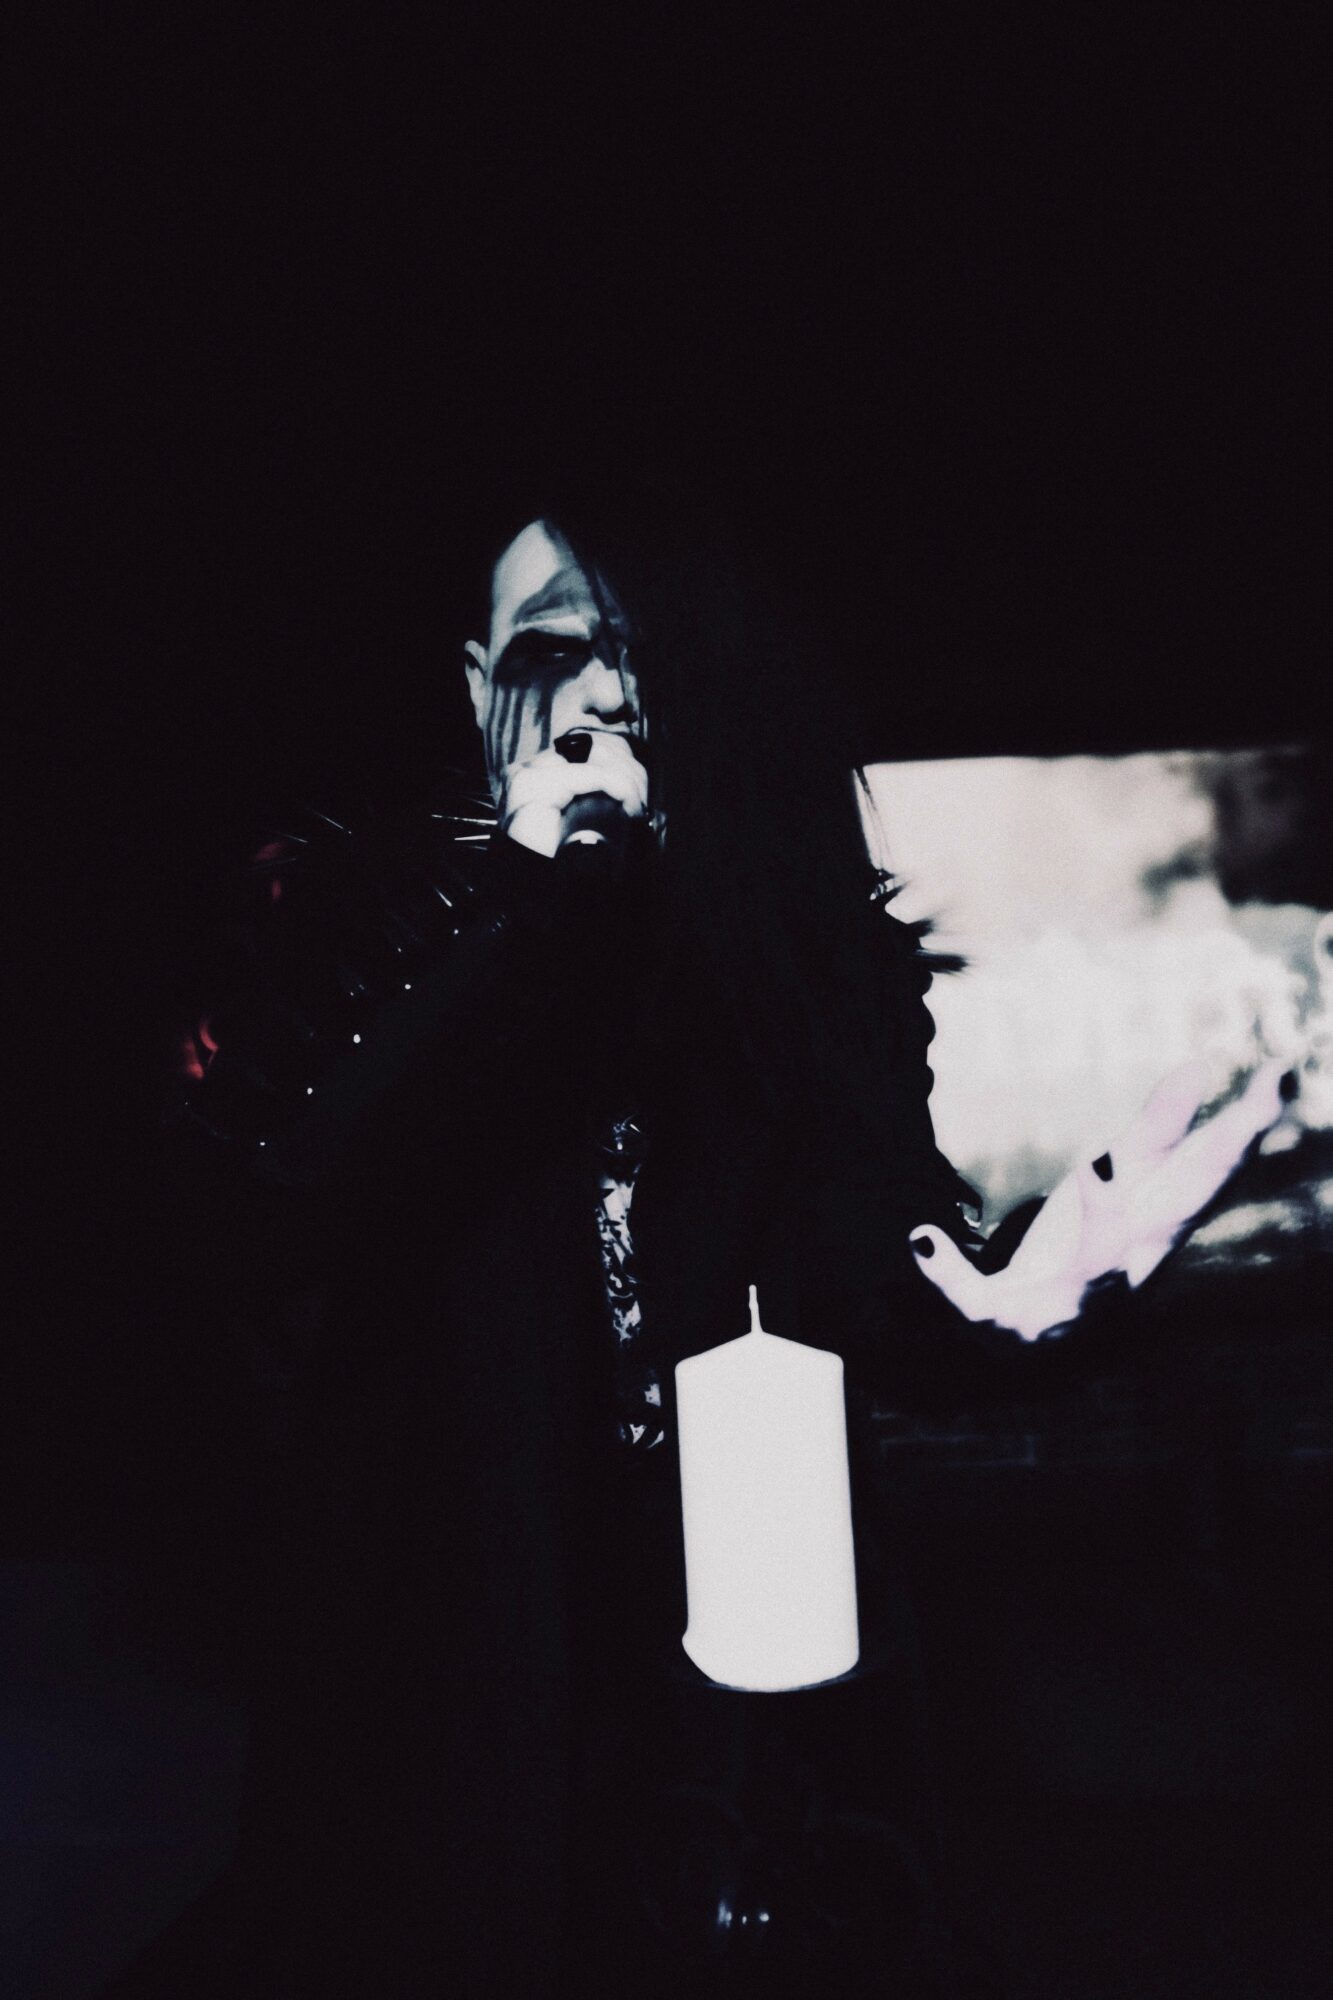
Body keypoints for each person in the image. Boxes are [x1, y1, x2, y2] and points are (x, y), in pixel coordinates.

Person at [103, 507, 1287, 1998]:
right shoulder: (361, 921)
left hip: (731, 1707)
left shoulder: (803, 960)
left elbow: (874, 1269)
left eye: (644, 653)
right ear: (476, 685)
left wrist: (1025, 1305)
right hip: (445, 1684)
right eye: (551, 648)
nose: (603, 691)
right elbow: (265, 1208)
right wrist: (523, 907)